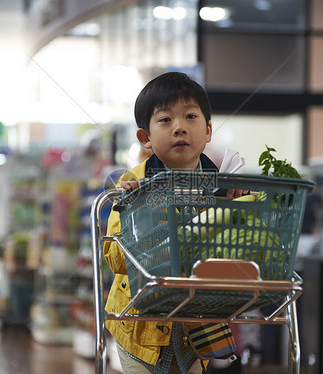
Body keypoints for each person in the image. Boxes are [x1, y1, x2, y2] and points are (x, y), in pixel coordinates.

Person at [103, 72, 244, 374]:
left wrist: (238, 207)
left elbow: (232, 255)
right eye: (165, 120)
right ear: (146, 138)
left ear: (208, 130)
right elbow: (115, 259)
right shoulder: (133, 184)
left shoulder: (223, 187)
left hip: (196, 329)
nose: (180, 127)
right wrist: (134, 210)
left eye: (190, 116)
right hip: (140, 327)